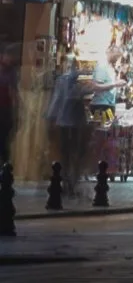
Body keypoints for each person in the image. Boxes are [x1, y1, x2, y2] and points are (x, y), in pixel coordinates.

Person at [46, 54, 88, 187]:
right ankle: (70, 178)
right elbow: (62, 98)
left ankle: (67, 178)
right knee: (73, 150)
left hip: (66, 120)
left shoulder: (64, 80)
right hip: (74, 121)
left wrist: (51, 117)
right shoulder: (77, 80)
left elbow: (57, 99)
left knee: (66, 150)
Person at [0, 45, 19, 167]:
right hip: (4, 108)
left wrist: (15, 108)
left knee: (4, 137)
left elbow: (13, 92)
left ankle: (4, 164)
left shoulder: (11, 72)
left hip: (5, 109)